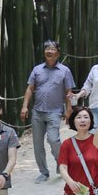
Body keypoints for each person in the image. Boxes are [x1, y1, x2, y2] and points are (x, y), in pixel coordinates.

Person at [20, 40, 75, 183]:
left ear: (58, 52)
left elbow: (68, 92)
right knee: (37, 144)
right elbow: (30, 89)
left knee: (53, 139)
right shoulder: (37, 69)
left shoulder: (64, 71)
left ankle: (60, 163)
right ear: (44, 52)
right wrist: (24, 106)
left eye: (52, 48)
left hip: (54, 112)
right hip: (37, 112)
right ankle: (43, 172)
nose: (49, 51)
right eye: (47, 49)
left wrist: (69, 109)